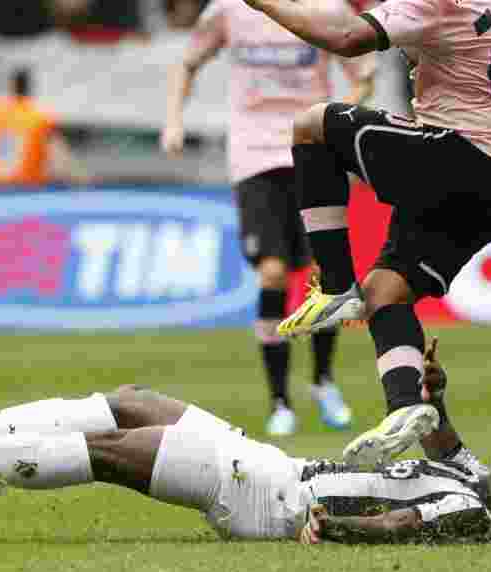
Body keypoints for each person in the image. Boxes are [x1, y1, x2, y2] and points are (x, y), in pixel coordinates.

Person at [0, 341, 491, 544]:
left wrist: (331, 529)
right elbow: (443, 438)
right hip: (276, 467)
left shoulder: (474, 516)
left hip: (272, 499)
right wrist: (433, 387)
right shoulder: (470, 479)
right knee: (135, 403)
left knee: (110, 450)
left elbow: (401, 524)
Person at [239, 0, 491, 465]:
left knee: (312, 125)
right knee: (384, 292)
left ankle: (334, 287)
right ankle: (406, 407)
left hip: (460, 157)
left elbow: (347, 39)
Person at [161, 0, 378, 436]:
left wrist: (336, 121)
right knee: (273, 274)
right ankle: (280, 400)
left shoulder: (328, 9)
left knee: (325, 275)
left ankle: (323, 381)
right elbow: (186, 63)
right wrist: (173, 121)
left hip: (313, 155)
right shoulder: (228, 10)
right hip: (254, 156)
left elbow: (364, 77)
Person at [0, 68, 83, 187]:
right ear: (29, 88)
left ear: (11, 87)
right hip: (26, 186)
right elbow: (61, 156)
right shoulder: (39, 117)